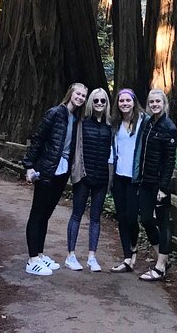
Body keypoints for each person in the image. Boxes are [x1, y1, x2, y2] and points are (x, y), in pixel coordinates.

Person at [23, 83, 87, 276]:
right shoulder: (54, 113)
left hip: (62, 171)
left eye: (84, 96)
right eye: (78, 93)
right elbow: (38, 139)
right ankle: (32, 259)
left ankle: (40, 254)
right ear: (70, 93)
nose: (81, 97)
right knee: (37, 213)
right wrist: (28, 166)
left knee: (46, 214)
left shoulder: (76, 118)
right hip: (46, 170)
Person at [64, 88, 112, 272]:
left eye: (103, 101)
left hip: (101, 178)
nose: (99, 104)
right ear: (90, 103)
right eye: (96, 101)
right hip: (83, 177)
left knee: (95, 219)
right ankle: (71, 255)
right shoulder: (81, 123)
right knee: (76, 215)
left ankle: (92, 256)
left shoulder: (110, 126)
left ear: (107, 104)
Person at [138, 88, 177, 281]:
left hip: (159, 184)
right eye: (151, 102)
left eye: (158, 102)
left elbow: (170, 161)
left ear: (164, 104)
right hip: (146, 181)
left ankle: (160, 266)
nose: (154, 105)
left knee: (163, 222)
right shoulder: (149, 124)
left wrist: (163, 187)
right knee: (145, 219)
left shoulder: (168, 127)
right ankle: (163, 257)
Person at [109, 88, 149, 273]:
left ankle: (133, 247)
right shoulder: (115, 124)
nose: (124, 104)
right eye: (121, 101)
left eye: (127, 100)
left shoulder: (144, 121)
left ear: (134, 102)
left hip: (135, 178)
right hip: (119, 177)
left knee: (132, 217)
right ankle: (127, 257)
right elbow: (112, 150)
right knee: (122, 217)